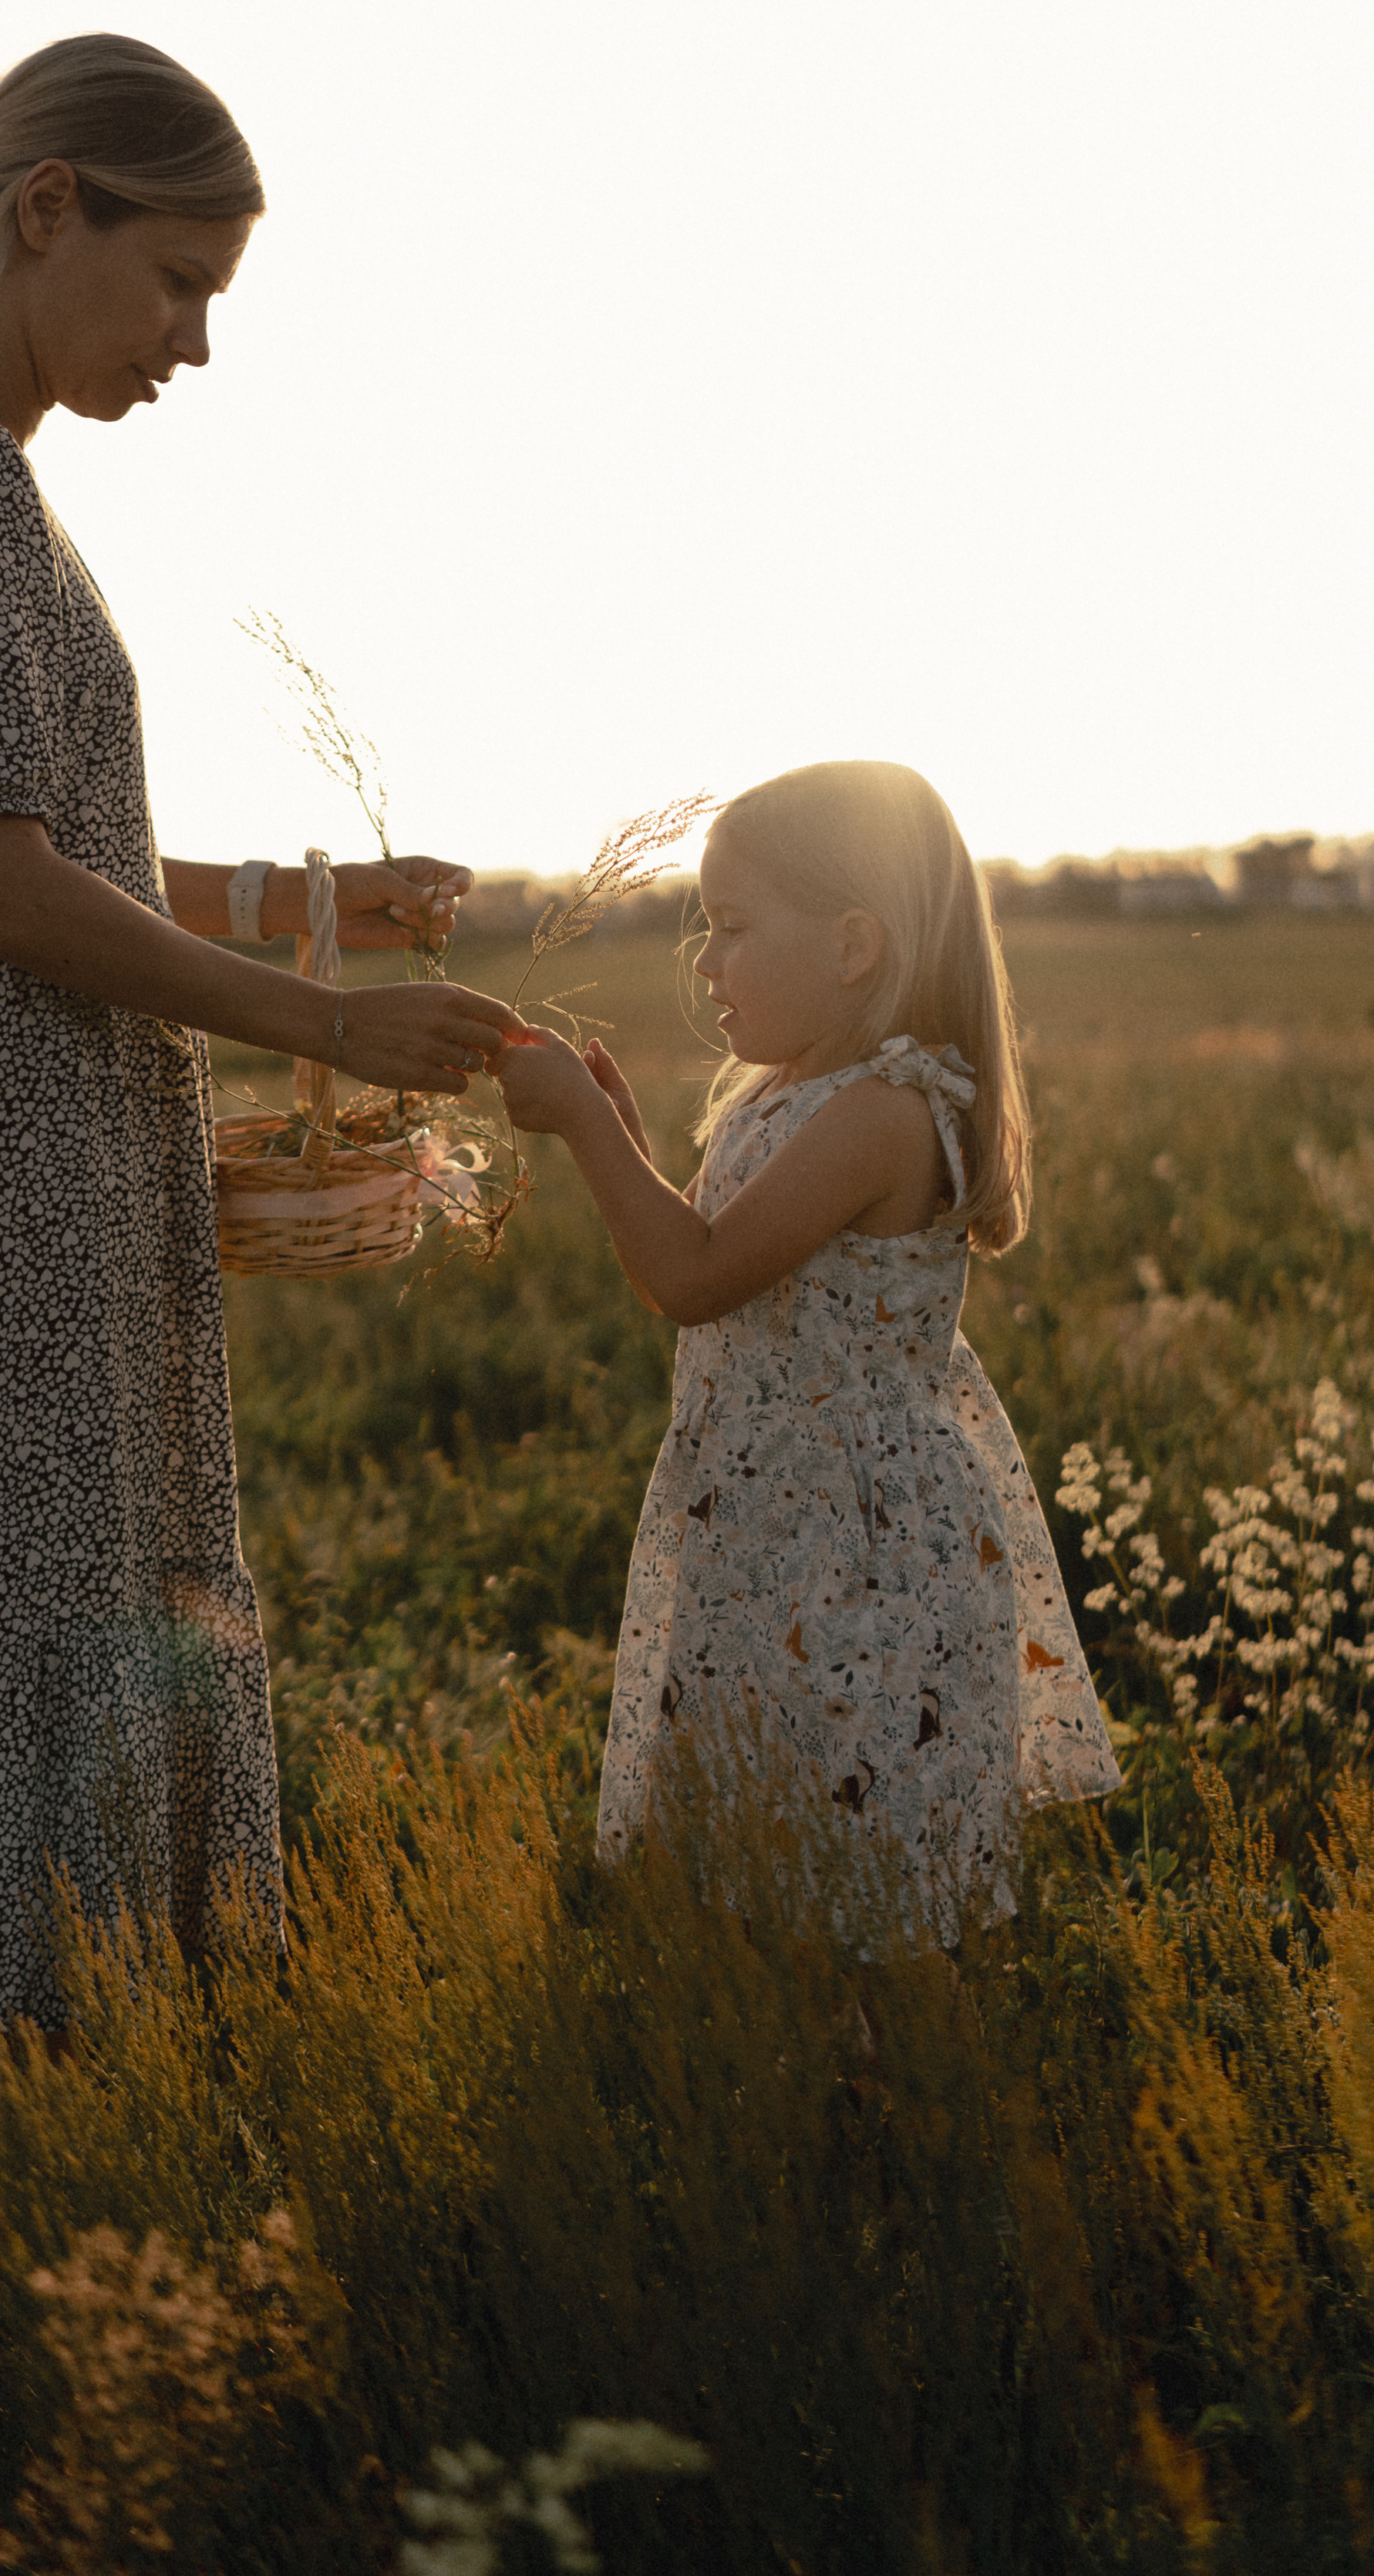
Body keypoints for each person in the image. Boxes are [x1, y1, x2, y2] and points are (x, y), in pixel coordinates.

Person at [0, 34, 515, 2096]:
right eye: (180, 284)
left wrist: (300, 893)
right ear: (48, 207)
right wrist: (334, 1023)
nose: (195, 344)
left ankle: (30, 2038)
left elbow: (45, 833)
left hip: (22, 1124)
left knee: (37, 1570)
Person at [496, 760, 1119, 1930]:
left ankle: (908, 2102)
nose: (704, 961)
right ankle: (820, 2096)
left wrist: (583, 1129)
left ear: (851, 946)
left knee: (871, 1894)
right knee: (774, 1867)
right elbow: (716, 1259)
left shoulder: (885, 1112)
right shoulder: (797, 1089)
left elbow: (691, 1278)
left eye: (731, 926)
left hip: (859, 1556)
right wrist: (627, 1136)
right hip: (779, 1529)